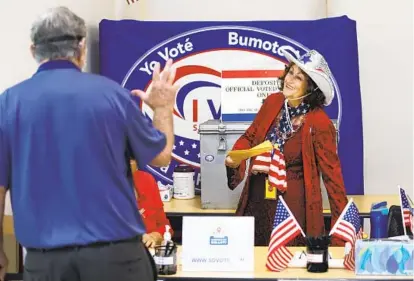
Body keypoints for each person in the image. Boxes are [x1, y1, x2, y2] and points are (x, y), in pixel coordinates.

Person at [0, 6, 178, 281]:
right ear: (81, 48)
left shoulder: (8, 105)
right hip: (116, 261)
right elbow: (162, 156)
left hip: (46, 264)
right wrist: (163, 107)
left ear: (33, 50)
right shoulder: (112, 96)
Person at [225, 49, 348, 247]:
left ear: (311, 87)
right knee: (253, 261)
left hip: (292, 208)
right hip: (257, 200)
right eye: (290, 72)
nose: (289, 80)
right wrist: (235, 157)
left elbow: (333, 180)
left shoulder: (319, 123)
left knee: (286, 265)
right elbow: (250, 136)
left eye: (298, 78)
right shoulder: (273, 101)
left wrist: (342, 235)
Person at [132, 168, 174, 248]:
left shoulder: (146, 179)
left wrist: (154, 237)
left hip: (148, 253)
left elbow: (166, 227)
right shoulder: (104, 186)